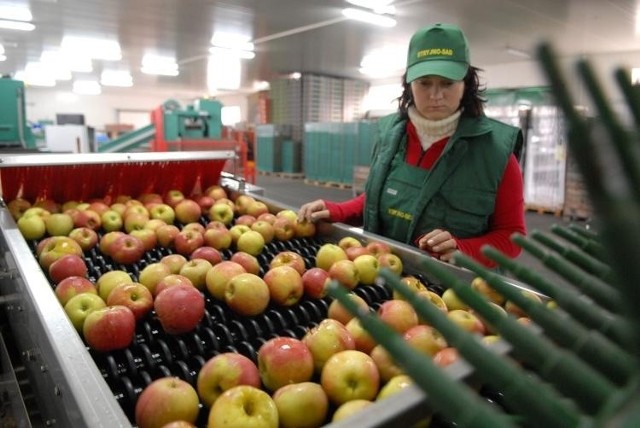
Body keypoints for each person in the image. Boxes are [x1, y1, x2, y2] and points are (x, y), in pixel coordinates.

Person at [297, 23, 526, 268]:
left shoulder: (494, 153)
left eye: (447, 83)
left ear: (466, 84)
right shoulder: (390, 136)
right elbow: (378, 199)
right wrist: (337, 210)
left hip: (454, 294)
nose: (435, 95)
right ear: (409, 84)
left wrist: (464, 250)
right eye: (424, 83)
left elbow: (512, 237)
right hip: (381, 279)